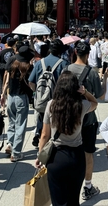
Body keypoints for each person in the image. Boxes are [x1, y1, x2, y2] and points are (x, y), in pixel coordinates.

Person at [36, 71, 98, 206]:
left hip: (56, 157)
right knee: (73, 199)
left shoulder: (51, 105)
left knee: (58, 200)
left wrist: (40, 155)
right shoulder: (81, 105)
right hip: (76, 156)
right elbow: (95, 102)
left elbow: (45, 135)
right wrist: (85, 92)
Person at [67, 41, 106, 201]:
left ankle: (70, 185)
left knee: (70, 151)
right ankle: (88, 186)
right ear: (88, 54)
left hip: (70, 118)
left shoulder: (66, 70)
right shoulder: (91, 73)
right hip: (88, 118)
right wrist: (105, 78)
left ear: (75, 52)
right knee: (88, 153)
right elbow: (100, 97)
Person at [29, 38, 69, 147]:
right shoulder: (64, 64)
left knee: (42, 121)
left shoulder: (39, 63)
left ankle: (41, 141)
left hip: (42, 99)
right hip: (57, 100)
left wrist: (37, 93)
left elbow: (31, 82)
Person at [0, 45, 34, 162]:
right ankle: (16, 152)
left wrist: (3, 94)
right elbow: (31, 84)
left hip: (11, 96)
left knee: (12, 122)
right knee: (21, 124)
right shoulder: (28, 67)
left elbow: (7, 79)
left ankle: (10, 143)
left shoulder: (12, 64)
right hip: (21, 96)